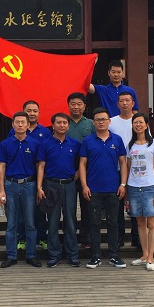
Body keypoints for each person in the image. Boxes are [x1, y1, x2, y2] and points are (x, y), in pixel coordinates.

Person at [79, 107, 128, 269]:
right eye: (98, 120)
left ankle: (114, 255)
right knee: (94, 223)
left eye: (104, 119)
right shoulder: (88, 141)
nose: (101, 122)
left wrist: (123, 184)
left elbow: (123, 163)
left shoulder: (117, 140)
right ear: (93, 123)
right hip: (93, 189)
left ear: (109, 121)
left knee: (113, 223)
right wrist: (84, 185)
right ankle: (96, 256)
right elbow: (82, 164)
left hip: (113, 188)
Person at [0, 111, 42, 268]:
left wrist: (39, 187)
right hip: (11, 185)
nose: (20, 125)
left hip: (29, 185)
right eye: (17, 122)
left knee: (30, 222)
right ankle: (11, 255)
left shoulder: (35, 144)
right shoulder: (5, 144)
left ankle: (31, 255)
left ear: (28, 125)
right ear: (13, 124)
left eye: (23, 122)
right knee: (11, 223)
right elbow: (1, 167)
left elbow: (39, 166)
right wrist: (1, 190)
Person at [37, 112, 81, 268]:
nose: (62, 125)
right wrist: (39, 187)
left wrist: (77, 175)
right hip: (51, 185)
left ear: (68, 125)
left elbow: (82, 163)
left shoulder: (75, 144)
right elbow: (41, 166)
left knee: (70, 220)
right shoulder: (45, 144)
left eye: (65, 123)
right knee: (53, 221)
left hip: (69, 185)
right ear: (53, 125)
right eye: (59, 122)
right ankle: (54, 254)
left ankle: (72, 254)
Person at [7, 100, 50, 251]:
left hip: (39, 177)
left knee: (39, 210)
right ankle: (22, 239)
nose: (32, 113)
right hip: (20, 177)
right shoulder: (14, 131)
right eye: (29, 110)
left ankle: (42, 237)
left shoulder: (45, 132)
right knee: (20, 211)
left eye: (35, 111)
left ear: (39, 113)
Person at [126, 113, 154, 272]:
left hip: (149, 187)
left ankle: (151, 257)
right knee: (140, 223)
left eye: (141, 122)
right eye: (135, 122)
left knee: (152, 223)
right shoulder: (130, 145)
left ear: (146, 125)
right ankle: (144, 254)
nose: (138, 125)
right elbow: (128, 167)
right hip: (134, 187)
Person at [108, 91, 141, 249]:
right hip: (116, 168)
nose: (125, 103)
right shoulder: (112, 122)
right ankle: (119, 237)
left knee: (135, 203)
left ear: (133, 103)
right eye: (121, 101)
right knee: (117, 205)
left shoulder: (139, 121)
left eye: (128, 100)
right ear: (117, 104)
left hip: (136, 169)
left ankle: (137, 236)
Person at [65, 92, 94, 248]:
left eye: (79, 104)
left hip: (87, 170)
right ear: (68, 106)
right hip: (67, 170)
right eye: (73, 104)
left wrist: (83, 170)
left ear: (84, 106)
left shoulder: (91, 124)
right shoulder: (63, 123)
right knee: (68, 208)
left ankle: (86, 237)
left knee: (87, 206)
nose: (76, 107)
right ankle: (70, 238)